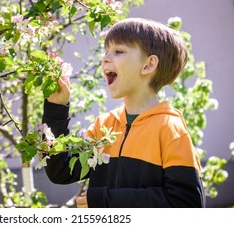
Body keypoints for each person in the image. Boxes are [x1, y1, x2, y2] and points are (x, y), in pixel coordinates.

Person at [42, 18, 206, 208]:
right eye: (106, 52)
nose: (105, 58)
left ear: (148, 65)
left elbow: (187, 204)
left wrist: (105, 201)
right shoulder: (103, 126)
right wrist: (56, 107)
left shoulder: (170, 129)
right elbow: (60, 171)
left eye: (118, 51)